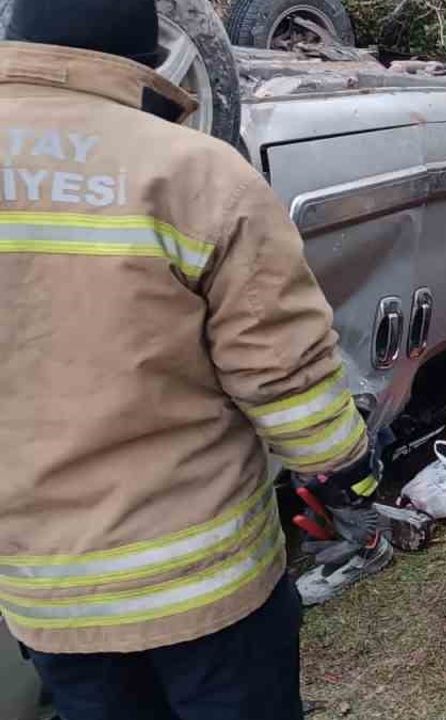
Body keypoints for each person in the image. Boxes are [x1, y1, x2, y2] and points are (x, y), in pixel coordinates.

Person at [0, 1, 381, 717]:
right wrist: (344, 457)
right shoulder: (192, 171)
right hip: (204, 585)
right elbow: (279, 366)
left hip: (47, 594)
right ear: (148, 49)